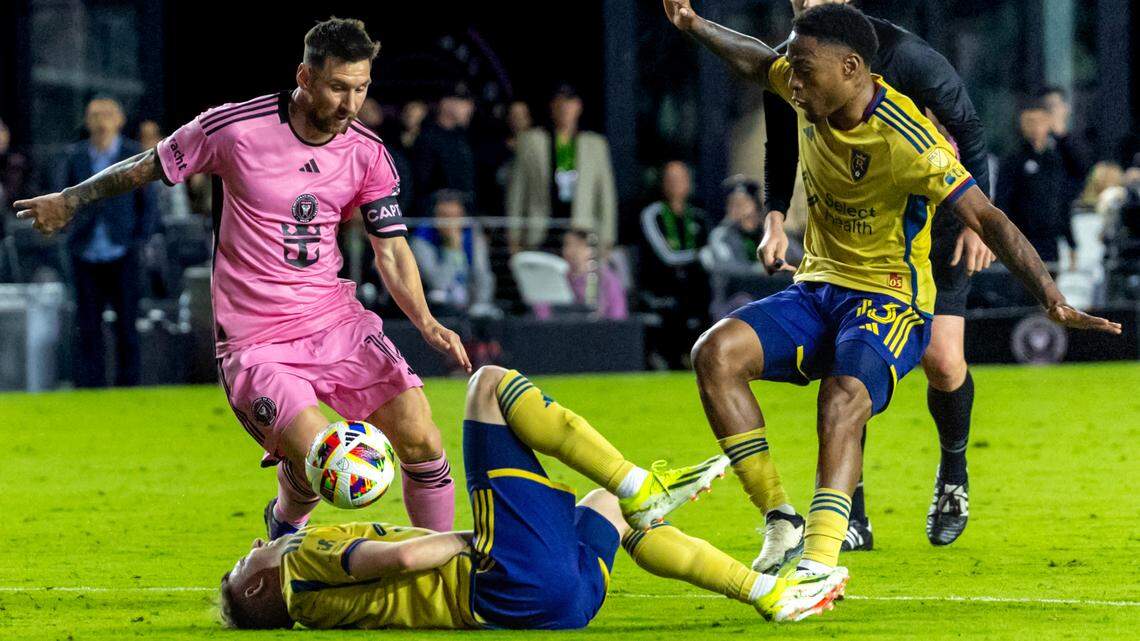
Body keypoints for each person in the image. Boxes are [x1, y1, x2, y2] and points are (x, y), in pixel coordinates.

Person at [662, 1, 1120, 588]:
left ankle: (823, 562)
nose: (791, 79)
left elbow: (990, 214)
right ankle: (781, 519)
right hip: (819, 285)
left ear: (853, 68)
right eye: (791, 69)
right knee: (714, 353)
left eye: (803, 71)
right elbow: (756, 62)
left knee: (849, 393)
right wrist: (696, 25)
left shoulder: (910, 133)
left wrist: (1050, 298)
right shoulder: (806, 78)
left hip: (891, 297)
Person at [15, 18, 471, 539]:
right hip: (257, 342)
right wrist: (70, 199)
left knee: (422, 439)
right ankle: (285, 522)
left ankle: (444, 560)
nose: (351, 103)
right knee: (325, 460)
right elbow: (148, 164)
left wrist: (426, 320)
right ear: (304, 76)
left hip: (336, 322)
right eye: (338, 87)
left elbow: (390, 250)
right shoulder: (234, 128)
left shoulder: (368, 153)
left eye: (361, 87)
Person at [218, 365, 850, 629]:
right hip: (502, 580)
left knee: (606, 509)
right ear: (254, 588)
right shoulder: (302, 561)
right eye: (242, 564)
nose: (251, 549)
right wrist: (479, 540)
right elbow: (404, 560)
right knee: (488, 386)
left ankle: (766, 592)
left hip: (560, 607)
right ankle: (642, 483)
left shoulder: (315, 611)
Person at [762, 0, 997, 552]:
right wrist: (775, 218)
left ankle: (953, 474)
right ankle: (852, 512)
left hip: (935, 218)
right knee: (848, 355)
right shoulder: (791, 63)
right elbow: (781, 146)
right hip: (852, 231)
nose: (806, 4)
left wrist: (978, 225)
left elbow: (969, 130)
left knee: (944, 360)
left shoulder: (906, 56)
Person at [55, 97, 157, 387]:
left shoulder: (133, 153)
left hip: (123, 248)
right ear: (87, 121)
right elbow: (61, 198)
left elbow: (147, 203)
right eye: (95, 115)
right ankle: (90, 385)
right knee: (87, 324)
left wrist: (140, 239)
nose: (101, 121)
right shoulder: (74, 156)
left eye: (107, 114)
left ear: (120, 120)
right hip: (85, 249)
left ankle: (129, 384)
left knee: (127, 323)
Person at [507, 85, 618, 252]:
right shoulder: (531, 141)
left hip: (581, 231)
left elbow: (605, 194)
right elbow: (518, 191)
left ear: (578, 107)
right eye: (560, 104)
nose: (565, 109)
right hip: (542, 231)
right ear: (552, 107)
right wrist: (513, 236)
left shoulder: (595, 144)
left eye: (569, 104)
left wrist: (607, 237)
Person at [640, 160, 710, 367]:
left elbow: (711, 256)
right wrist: (698, 256)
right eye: (670, 179)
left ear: (689, 183)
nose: (675, 184)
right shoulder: (653, 214)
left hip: (694, 293)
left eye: (680, 179)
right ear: (663, 183)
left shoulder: (698, 216)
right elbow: (667, 257)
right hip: (661, 290)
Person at [997, 102, 1076, 272]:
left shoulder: (1055, 159)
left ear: (1049, 123)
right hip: (1021, 238)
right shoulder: (1013, 159)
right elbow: (1002, 200)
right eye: (1029, 121)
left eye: (1039, 121)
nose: (1035, 127)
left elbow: (1062, 203)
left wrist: (1071, 243)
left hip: (1050, 241)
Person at [408, 189, 496, 315]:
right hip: (436, 306)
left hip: (469, 300)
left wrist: (480, 304)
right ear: (435, 217)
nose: (450, 223)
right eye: (445, 216)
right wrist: (452, 247)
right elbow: (438, 284)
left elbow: (483, 274)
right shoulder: (421, 239)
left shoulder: (472, 234)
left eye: (455, 217)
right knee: (438, 297)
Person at [533, 230, 628, 321]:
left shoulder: (607, 279)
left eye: (578, 245)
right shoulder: (556, 278)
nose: (571, 251)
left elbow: (618, 315)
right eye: (567, 245)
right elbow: (542, 312)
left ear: (591, 250)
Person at [412, 84, 476, 216]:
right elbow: (422, 183)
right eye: (464, 103)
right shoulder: (427, 138)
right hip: (436, 213)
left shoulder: (465, 138)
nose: (470, 108)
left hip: (466, 211)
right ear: (446, 104)